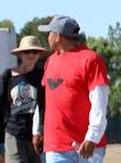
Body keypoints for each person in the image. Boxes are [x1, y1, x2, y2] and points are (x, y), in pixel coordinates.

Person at [36, 17, 109, 163]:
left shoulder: (91, 59)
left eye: (49, 33)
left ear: (58, 37)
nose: (47, 37)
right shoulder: (50, 61)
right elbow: (44, 102)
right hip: (56, 146)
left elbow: (99, 101)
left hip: (86, 146)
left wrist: (92, 136)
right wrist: (37, 130)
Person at [0, 37, 47, 163]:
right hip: (13, 132)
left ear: (39, 55)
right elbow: (1, 107)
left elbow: (43, 106)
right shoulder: (8, 75)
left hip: (36, 136)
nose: (31, 55)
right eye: (27, 52)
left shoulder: (42, 76)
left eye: (34, 52)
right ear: (20, 54)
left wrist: (40, 131)